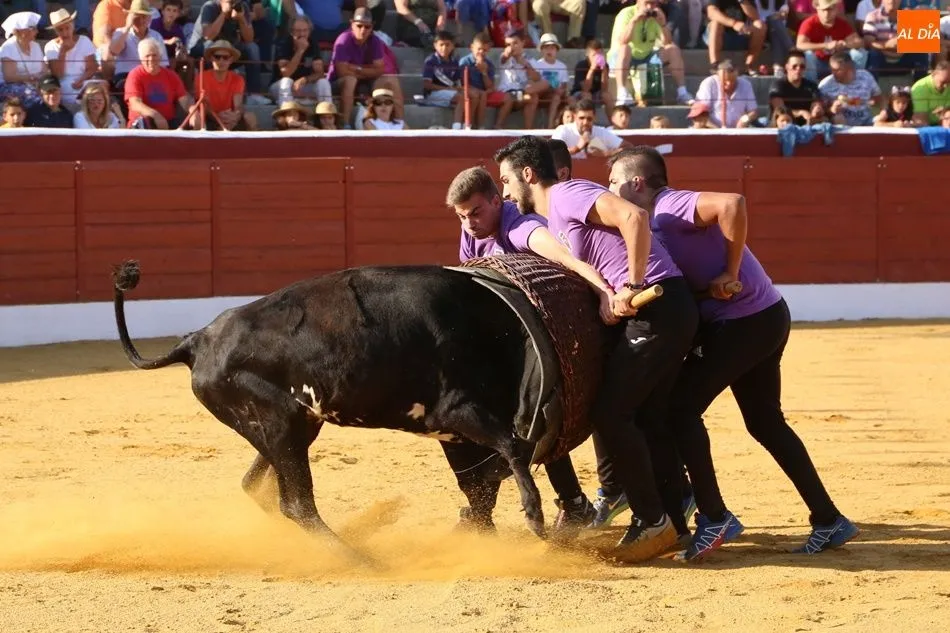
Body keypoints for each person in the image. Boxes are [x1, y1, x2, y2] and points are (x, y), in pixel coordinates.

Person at [606, 145, 859, 560]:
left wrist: (730, 268)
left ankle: (714, 516)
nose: (609, 190)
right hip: (763, 315)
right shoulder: (655, 220)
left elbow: (732, 203)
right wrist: (714, 284)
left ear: (637, 183)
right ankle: (829, 519)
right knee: (765, 422)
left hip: (742, 322)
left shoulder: (669, 205)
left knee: (679, 411)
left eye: (614, 182)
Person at [493, 135, 699, 561]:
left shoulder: (568, 194)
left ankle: (652, 521)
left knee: (610, 413)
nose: (506, 193)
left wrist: (633, 284)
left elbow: (634, 217)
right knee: (645, 415)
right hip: (663, 308)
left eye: (507, 181)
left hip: (656, 306)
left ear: (528, 175)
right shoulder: (557, 211)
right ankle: (673, 520)